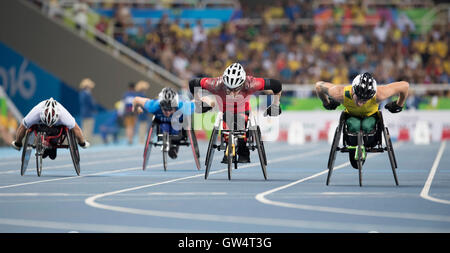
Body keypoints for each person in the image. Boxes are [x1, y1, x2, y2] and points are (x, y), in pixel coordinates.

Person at [188, 62, 283, 163]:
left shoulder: (251, 83)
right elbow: (193, 83)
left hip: (244, 112)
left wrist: (276, 104)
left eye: (236, 89)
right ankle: (229, 146)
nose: (232, 93)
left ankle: (243, 149)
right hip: (225, 113)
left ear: (242, 84)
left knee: (242, 123)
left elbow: (276, 85)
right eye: (229, 89)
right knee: (226, 118)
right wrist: (198, 102)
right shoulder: (215, 84)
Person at [315, 72, 409, 168]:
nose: (360, 103)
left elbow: (405, 86)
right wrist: (326, 102)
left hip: (371, 117)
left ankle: (368, 144)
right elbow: (318, 86)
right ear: (353, 91)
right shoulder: (340, 93)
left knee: (367, 126)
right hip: (352, 117)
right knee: (354, 125)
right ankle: (354, 145)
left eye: (365, 100)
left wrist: (399, 104)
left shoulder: (379, 94)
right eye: (359, 98)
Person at [132, 87, 210, 159]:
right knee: (164, 126)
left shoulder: (183, 107)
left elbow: (196, 102)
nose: (168, 112)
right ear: (160, 106)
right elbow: (136, 99)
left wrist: (207, 101)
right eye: (165, 110)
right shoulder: (153, 106)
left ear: (175, 106)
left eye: (170, 110)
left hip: (178, 124)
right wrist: (135, 109)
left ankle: (173, 146)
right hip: (162, 124)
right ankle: (170, 143)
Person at [11, 98, 90, 159]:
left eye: (50, 122)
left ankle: (52, 145)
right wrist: (18, 142)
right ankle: (46, 145)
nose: (49, 124)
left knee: (52, 154)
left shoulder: (63, 114)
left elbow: (76, 129)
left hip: (56, 130)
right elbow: (22, 127)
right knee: (30, 126)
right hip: (41, 128)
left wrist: (81, 142)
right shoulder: (35, 112)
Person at [79, 78, 97, 143]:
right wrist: (94, 109)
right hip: (88, 113)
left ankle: (84, 141)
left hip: (84, 113)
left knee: (84, 128)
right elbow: (90, 103)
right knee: (88, 128)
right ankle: (86, 141)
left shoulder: (81, 93)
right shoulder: (87, 94)